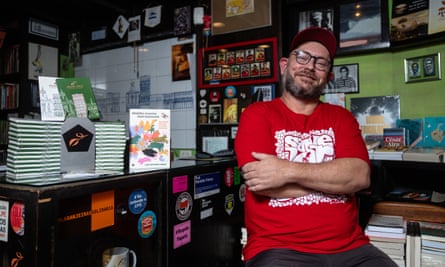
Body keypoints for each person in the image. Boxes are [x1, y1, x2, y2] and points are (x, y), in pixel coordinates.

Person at [234, 26, 397, 267]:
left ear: (328, 77)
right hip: (279, 249)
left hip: (352, 248)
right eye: (301, 56)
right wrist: (335, 182)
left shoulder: (341, 117)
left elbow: (360, 176)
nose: (310, 66)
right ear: (283, 65)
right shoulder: (257, 114)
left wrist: (286, 170)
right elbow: (261, 182)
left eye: (321, 63)